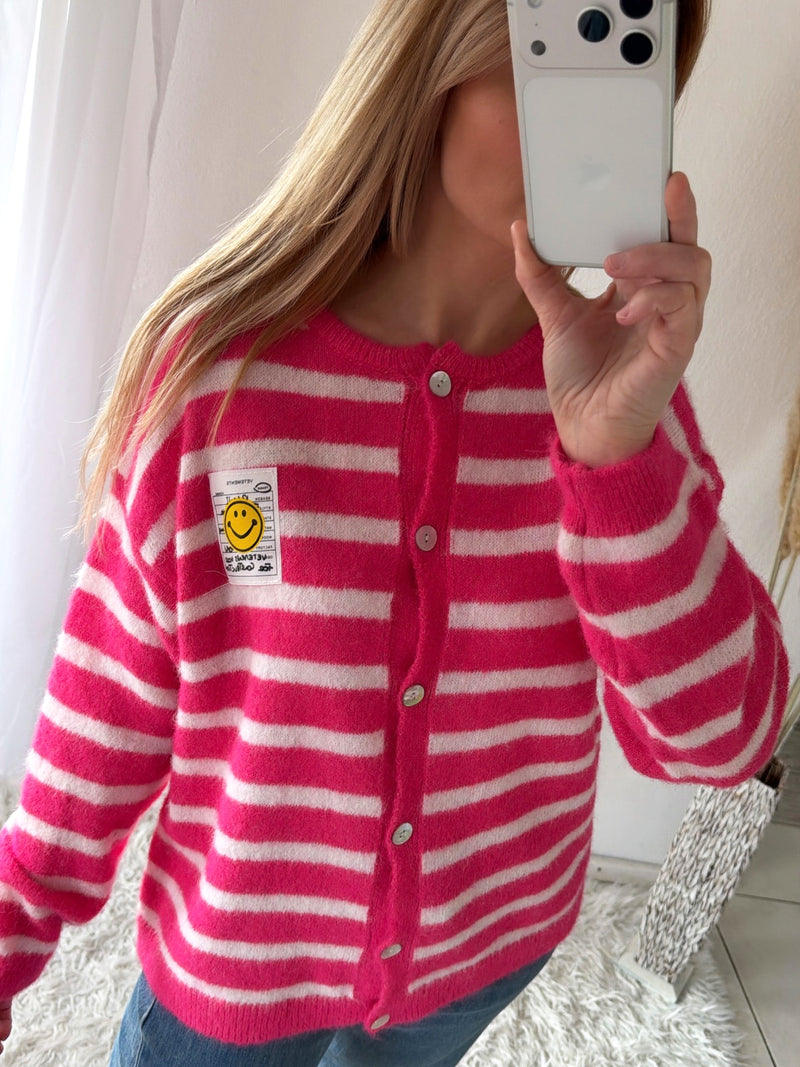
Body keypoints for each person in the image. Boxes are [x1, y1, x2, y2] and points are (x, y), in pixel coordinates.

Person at [0, 0, 788, 1064]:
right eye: (559, 56)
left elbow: (722, 740)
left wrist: (616, 462)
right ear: (442, 51)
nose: (593, 111)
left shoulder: (619, 410)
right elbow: (110, 696)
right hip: (236, 962)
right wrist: (14, 925)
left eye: (633, 69)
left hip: (481, 952)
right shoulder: (224, 376)